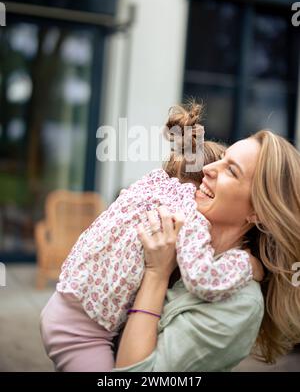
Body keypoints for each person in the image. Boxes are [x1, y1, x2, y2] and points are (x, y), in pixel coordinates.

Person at [41, 102, 262, 372]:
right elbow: (202, 276)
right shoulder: (184, 213)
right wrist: (248, 265)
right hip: (83, 332)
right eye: (218, 164)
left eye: (231, 170)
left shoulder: (150, 186)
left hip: (69, 302)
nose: (211, 171)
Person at [113, 128, 300, 371]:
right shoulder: (180, 242)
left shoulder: (240, 305)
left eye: (231, 170)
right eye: (223, 159)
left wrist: (156, 273)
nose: (208, 169)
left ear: (258, 213)